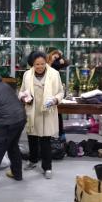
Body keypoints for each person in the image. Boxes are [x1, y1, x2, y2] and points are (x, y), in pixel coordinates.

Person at [19, 51, 64, 179]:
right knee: (32, 138)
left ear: (46, 62)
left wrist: (55, 100)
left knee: (45, 141)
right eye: (37, 64)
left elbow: (61, 92)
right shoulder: (27, 75)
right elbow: (22, 91)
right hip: (32, 110)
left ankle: (47, 167)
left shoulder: (54, 74)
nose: (40, 66)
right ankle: (33, 161)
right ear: (32, 64)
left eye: (42, 64)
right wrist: (23, 98)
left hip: (47, 112)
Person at [47, 50, 69, 142]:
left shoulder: (55, 65)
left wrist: (62, 59)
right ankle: (47, 135)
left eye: (57, 58)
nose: (55, 59)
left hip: (55, 92)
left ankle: (61, 133)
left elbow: (67, 62)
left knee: (58, 113)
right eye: (54, 57)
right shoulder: (44, 63)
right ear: (50, 55)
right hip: (45, 91)